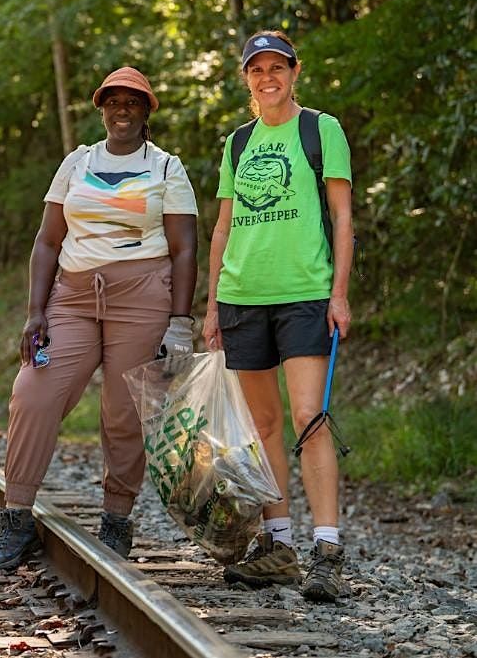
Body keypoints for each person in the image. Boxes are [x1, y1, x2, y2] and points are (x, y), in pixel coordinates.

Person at [0, 67, 198, 569]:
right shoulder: (77, 162)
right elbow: (48, 241)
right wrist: (36, 311)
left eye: (133, 102)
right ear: (101, 109)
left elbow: (185, 249)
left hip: (142, 296)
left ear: (147, 112)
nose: (122, 109)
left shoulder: (167, 168)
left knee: (123, 413)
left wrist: (179, 322)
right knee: (32, 395)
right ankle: (16, 517)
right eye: (113, 101)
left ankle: (117, 519)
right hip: (73, 297)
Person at [204, 30, 353, 603]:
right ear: (246, 78)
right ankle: (279, 546)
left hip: (304, 293)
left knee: (309, 417)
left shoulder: (321, 129)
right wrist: (213, 304)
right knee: (262, 427)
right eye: (257, 69)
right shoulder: (237, 142)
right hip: (243, 296)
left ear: (295, 72)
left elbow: (342, 218)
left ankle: (328, 549)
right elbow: (223, 225)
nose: (268, 78)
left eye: (278, 68)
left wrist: (338, 294)